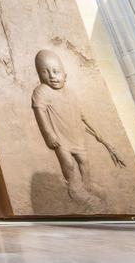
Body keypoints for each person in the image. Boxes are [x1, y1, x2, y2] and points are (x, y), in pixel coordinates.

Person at [31, 49, 107, 210]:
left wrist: (94, 132)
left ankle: (87, 184)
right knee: (69, 164)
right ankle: (75, 189)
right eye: (45, 72)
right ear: (39, 75)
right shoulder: (42, 91)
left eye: (56, 72)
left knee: (84, 161)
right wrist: (49, 134)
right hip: (60, 136)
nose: (52, 76)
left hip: (75, 135)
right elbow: (40, 112)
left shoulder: (70, 93)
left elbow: (80, 115)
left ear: (65, 75)